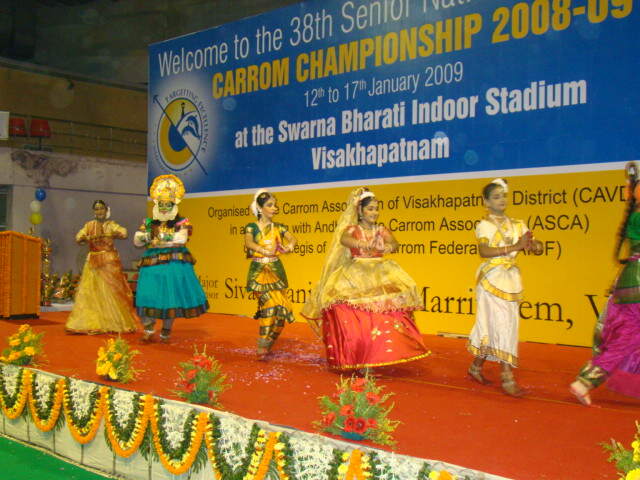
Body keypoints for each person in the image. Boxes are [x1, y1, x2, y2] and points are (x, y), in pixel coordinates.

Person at [302, 187, 429, 371]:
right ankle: (361, 356)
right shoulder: (353, 229)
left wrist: (388, 247)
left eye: (376, 209)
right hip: (357, 273)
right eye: (370, 209)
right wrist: (360, 243)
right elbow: (344, 240)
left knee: (383, 314)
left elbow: (394, 243)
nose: (374, 212)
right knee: (358, 316)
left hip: (380, 273)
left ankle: (380, 354)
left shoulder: (381, 230)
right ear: (360, 211)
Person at [570, 163, 640, 405]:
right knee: (629, 338)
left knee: (628, 336)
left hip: (631, 279)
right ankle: (585, 381)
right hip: (636, 283)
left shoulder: (634, 215)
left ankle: (586, 380)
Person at [467, 178, 543, 397]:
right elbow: (484, 251)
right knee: (501, 324)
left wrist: (534, 246)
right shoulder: (485, 225)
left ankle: (475, 367)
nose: (502, 200)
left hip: (510, 280)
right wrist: (515, 246)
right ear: (486, 202)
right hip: (491, 280)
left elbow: (535, 246)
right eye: (496, 197)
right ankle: (507, 376)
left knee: (503, 324)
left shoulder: (518, 224)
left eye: (504, 196)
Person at [133, 174, 208, 343]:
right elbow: (137, 240)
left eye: (168, 204)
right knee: (146, 295)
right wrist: (149, 237)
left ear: (174, 205)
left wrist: (158, 238)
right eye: (161, 204)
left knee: (169, 298)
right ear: (156, 204)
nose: (164, 208)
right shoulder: (149, 223)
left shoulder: (181, 222)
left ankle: (166, 331)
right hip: (151, 264)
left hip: (173, 263)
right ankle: (148, 328)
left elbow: (181, 239)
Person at [65, 200, 137, 334]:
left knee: (110, 291)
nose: (99, 211)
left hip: (108, 261)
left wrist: (114, 233)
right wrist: (85, 237)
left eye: (101, 208)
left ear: (106, 210)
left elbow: (124, 232)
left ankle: (113, 321)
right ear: (94, 211)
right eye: (97, 209)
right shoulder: (89, 225)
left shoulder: (111, 224)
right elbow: (78, 237)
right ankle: (93, 322)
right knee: (91, 292)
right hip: (93, 261)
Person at [244, 189, 297, 359]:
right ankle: (262, 345)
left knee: (281, 311)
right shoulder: (251, 227)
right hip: (259, 272)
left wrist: (289, 246)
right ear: (260, 208)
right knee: (269, 306)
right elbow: (249, 243)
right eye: (270, 205)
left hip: (275, 271)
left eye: (275, 205)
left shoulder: (279, 227)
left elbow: (292, 239)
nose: (275, 208)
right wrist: (263, 250)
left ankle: (269, 342)